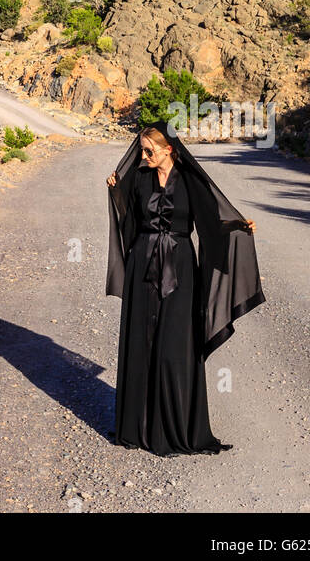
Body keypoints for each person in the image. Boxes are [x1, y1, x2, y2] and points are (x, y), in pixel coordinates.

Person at [105, 120, 265, 455]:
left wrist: (238, 225)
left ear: (169, 150)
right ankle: (137, 428)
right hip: (142, 267)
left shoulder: (191, 181)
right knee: (141, 342)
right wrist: (116, 191)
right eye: (141, 149)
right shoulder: (139, 177)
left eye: (150, 150)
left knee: (175, 347)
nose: (143, 155)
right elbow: (128, 219)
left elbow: (210, 221)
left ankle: (179, 429)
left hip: (179, 269)